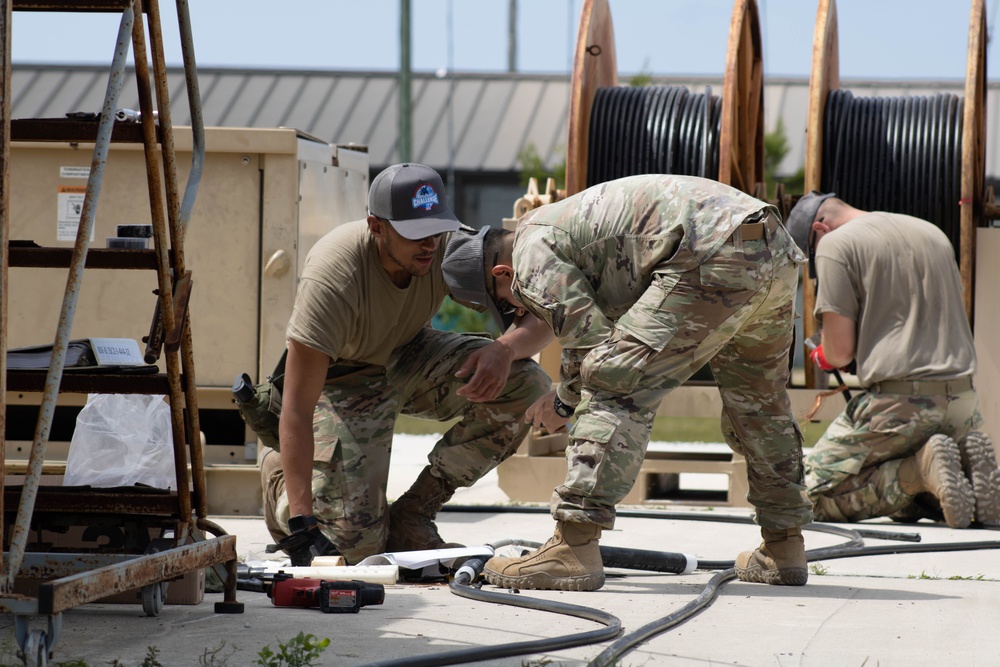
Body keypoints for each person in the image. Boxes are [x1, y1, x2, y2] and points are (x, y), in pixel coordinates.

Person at [442, 174, 815, 591]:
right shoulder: (553, 230)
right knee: (760, 403)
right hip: (769, 245)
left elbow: (590, 348)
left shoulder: (529, 252)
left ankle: (573, 545)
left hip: (710, 248)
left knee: (612, 381)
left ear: (501, 272)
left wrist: (562, 402)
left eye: (510, 303)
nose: (520, 308)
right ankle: (784, 546)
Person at [261, 163, 552, 566]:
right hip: (342, 379)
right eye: (415, 233)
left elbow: (542, 310)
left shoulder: (447, 248)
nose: (430, 244)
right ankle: (279, 480)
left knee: (527, 385)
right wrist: (301, 521)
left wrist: (504, 348)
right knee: (354, 552)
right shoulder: (334, 276)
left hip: (409, 354)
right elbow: (296, 407)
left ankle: (414, 515)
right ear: (376, 226)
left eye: (436, 229)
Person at [786, 192, 1000, 528]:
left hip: (898, 407)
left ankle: (918, 473)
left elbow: (840, 352)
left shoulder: (834, 244)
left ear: (819, 229)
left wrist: (821, 355)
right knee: (905, 457)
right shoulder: (931, 232)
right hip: (962, 403)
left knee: (801, 498)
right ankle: (961, 474)